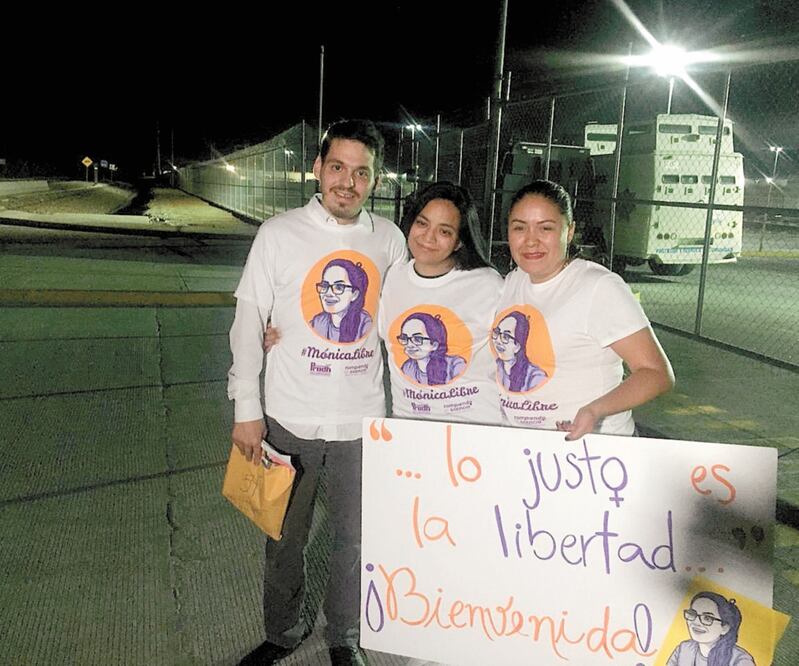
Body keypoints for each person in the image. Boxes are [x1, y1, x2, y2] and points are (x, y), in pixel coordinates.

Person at [228, 119, 406, 666]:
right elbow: (248, 318)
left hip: (363, 422)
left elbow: (406, 317)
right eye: (337, 168)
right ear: (317, 169)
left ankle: (344, 635)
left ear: (376, 180)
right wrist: (246, 408)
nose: (347, 183)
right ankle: (283, 631)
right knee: (284, 537)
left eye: (361, 173)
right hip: (288, 417)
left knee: (355, 540)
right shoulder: (278, 234)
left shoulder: (389, 240)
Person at [493, 179, 673, 437]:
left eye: (546, 228)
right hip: (526, 447)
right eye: (519, 228)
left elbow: (656, 373)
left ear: (569, 231)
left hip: (591, 449)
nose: (530, 241)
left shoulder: (598, 287)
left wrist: (595, 410)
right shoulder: (514, 281)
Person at [378, 181, 503, 424]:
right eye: (422, 223)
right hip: (408, 428)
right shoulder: (392, 278)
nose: (428, 237)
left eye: (444, 231)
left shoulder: (488, 284)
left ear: (459, 241)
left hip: (475, 428)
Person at [667, 592, 755, 666]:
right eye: (693, 614)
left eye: (707, 618)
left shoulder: (740, 660)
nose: (696, 622)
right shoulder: (683, 649)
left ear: (725, 628)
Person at [310, 258, 372, 342]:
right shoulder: (317, 322)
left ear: (354, 294)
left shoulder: (364, 324)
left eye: (339, 287)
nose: (328, 293)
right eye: (325, 286)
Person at [397, 312, 466, 386]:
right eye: (404, 338)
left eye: (417, 339)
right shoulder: (407, 368)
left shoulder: (455, 365)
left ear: (434, 345)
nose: (409, 345)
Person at [492, 311, 548, 392]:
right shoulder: (495, 367)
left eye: (506, 337)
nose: (498, 340)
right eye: (497, 332)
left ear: (518, 346)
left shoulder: (535, 377)